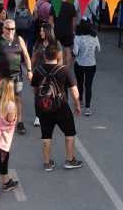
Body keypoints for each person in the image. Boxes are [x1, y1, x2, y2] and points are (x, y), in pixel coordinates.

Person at [32, 42, 84, 172]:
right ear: (58, 55)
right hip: (61, 107)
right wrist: (77, 105)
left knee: (46, 135)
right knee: (70, 132)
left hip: (44, 107)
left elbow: (35, 89)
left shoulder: (38, 70)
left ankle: (47, 163)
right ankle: (70, 160)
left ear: (45, 55)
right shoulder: (64, 70)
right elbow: (74, 90)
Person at [0, 19, 33, 136]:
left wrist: (29, 70)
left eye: (13, 29)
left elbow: (26, 55)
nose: (10, 31)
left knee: (17, 98)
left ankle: (19, 122)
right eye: (8, 28)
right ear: (3, 28)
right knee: (2, 99)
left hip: (16, 75)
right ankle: (1, 122)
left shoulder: (19, 40)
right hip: (2, 77)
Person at [72, 20, 100, 116]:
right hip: (91, 64)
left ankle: (80, 101)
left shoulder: (77, 37)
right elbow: (99, 49)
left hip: (79, 64)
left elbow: (75, 52)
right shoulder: (94, 36)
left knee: (79, 83)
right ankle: (88, 108)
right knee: (88, 86)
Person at [53, 0, 77, 69]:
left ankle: (58, 68)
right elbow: (74, 21)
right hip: (68, 31)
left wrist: (52, 31)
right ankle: (66, 68)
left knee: (58, 50)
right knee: (67, 50)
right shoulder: (71, 6)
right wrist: (73, 31)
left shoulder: (55, 5)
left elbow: (50, 21)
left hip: (57, 31)